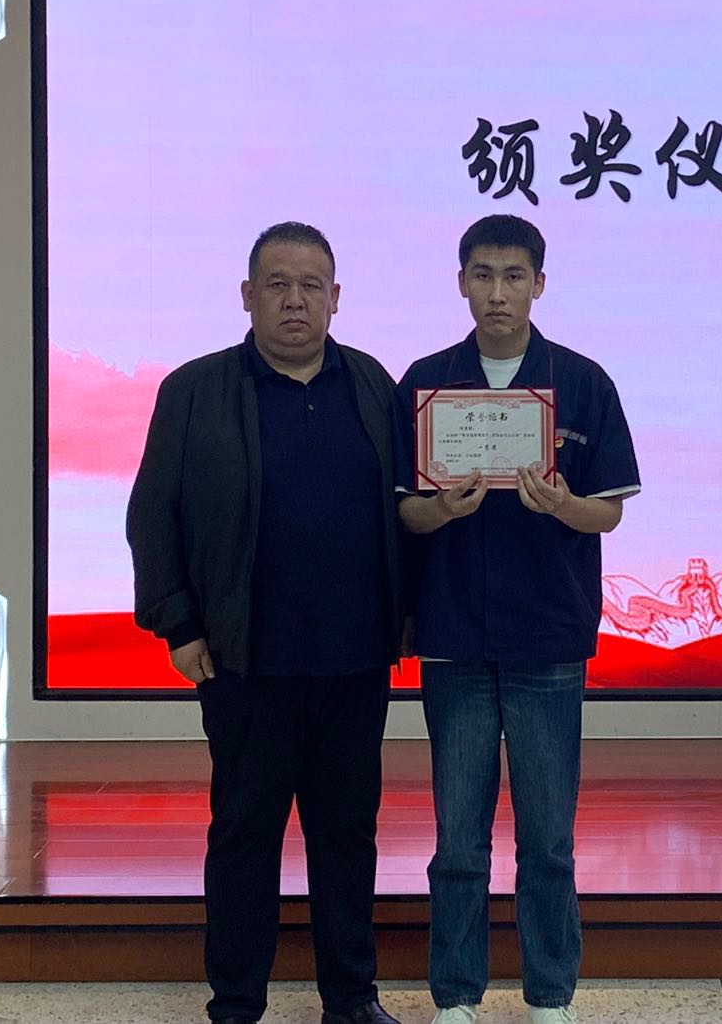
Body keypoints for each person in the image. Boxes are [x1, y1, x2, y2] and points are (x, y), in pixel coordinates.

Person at [129, 221, 407, 1024]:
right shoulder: (195, 391)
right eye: (277, 285)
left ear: (336, 298)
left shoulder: (372, 384)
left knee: (347, 838)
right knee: (245, 836)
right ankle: (237, 1002)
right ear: (247, 296)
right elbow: (153, 516)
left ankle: (351, 1000)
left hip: (355, 661)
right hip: (245, 661)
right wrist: (179, 626)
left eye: (311, 286)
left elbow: (404, 509)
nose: (295, 301)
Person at [395, 214, 641, 1024]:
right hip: (454, 637)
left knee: (547, 839)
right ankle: (456, 995)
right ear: (461, 283)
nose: (497, 292)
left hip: (547, 638)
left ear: (539, 284)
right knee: (458, 839)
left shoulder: (584, 382)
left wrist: (564, 504)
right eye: (482, 275)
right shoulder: (425, 384)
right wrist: (441, 509)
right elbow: (404, 511)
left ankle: (550, 995)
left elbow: (607, 511)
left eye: (512, 276)